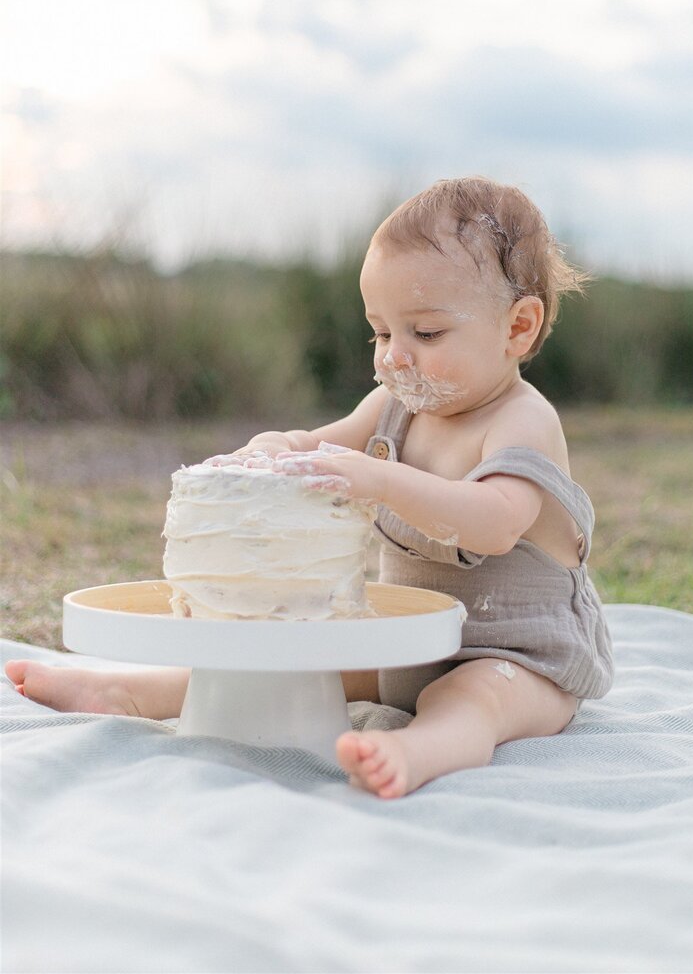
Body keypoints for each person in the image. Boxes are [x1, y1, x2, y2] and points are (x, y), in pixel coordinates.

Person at [6, 177, 614, 798]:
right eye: (381, 333)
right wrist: (278, 447)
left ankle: (417, 750)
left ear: (518, 328)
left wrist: (382, 479)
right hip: (405, 648)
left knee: (471, 697)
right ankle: (130, 691)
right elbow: (319, 444)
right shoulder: (395, 408)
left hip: (519, 659)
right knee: (287, 665)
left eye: (425, 334)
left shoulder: (521, 420)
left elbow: (496, 521)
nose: (393, 358)